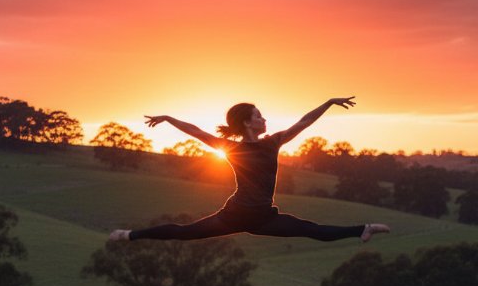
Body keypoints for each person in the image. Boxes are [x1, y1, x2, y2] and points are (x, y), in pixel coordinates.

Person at [109, 97, 390, 243]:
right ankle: (128, 235)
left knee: (311, 230)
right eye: (258, 116)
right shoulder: (231, 148)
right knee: (184, 233)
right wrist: (169, 118)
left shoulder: (273, 143)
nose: (264, 119)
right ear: (247, 123)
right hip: (235, 215)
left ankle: (362, 229)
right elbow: (195, 132)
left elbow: (304, 122)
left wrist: (328, 103)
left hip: (263, 218)